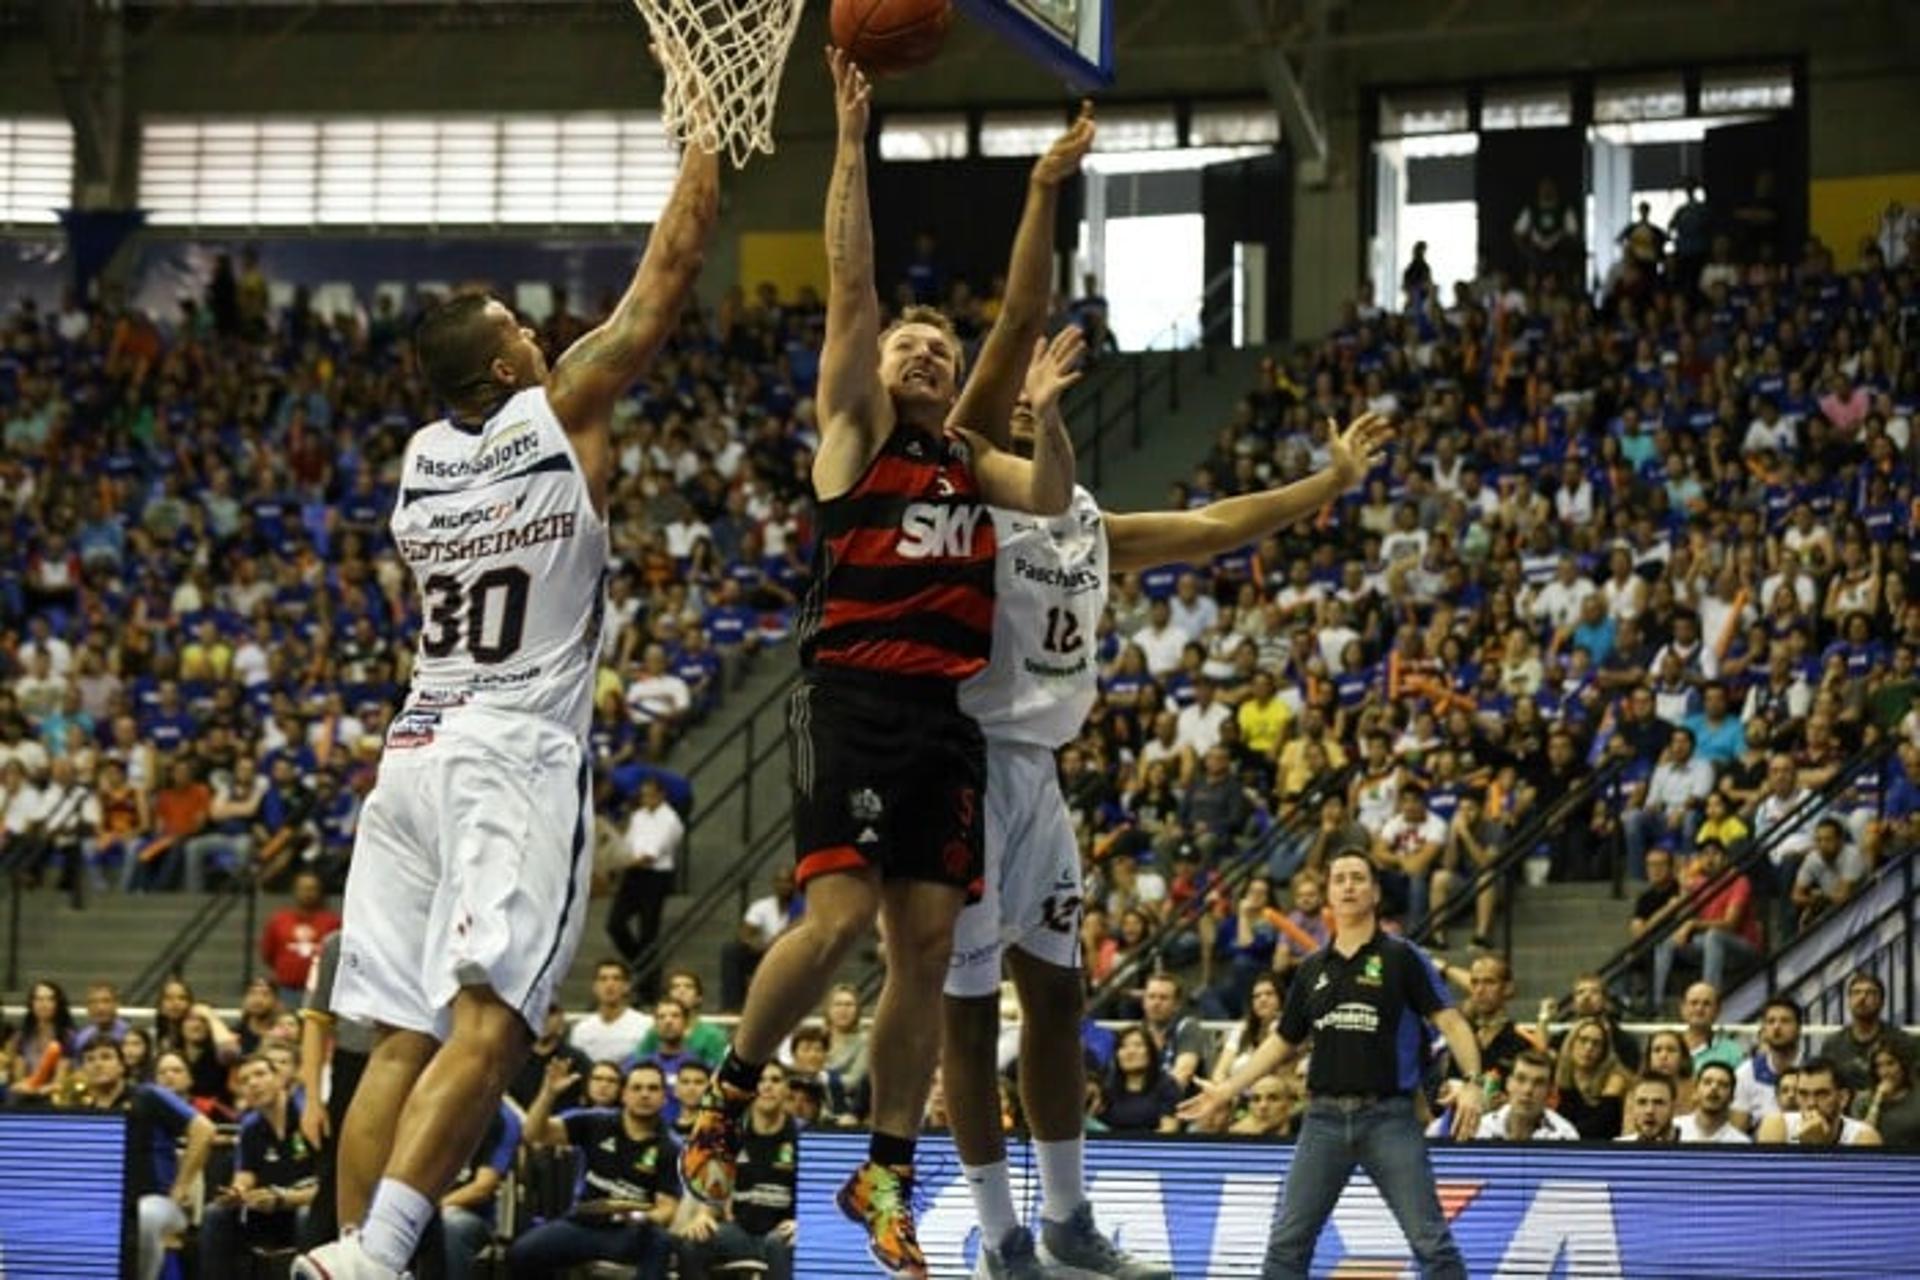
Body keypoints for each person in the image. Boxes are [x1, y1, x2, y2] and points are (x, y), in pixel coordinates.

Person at [293, 133, 720, 1280]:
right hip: (510, 751)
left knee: (397, 1038)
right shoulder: (555, 413)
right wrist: (707, 146)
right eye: (520, 334)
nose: (540, 337)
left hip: (415, 751)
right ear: (503, 371)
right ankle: (378, 1255)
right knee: (493, 1024)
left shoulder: (423, 458)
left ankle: (346, 1257)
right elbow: (661, 290)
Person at [680, 51, 1077, 1280]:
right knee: (841, 918)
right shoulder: (851, 436)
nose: (923, 353)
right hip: (851, 694)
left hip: (943, 721)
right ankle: (729, 1090)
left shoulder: (968, 462)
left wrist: (1048, 410)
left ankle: (887, 1170)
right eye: (911, 341)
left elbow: (1054, 496)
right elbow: (850, 283)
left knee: (922, 945)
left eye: (938, 348)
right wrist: (852, 140)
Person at [1179, 851, 1483, 1280]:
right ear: (1328, 895)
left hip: (1389, 1119)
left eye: (1358, 878)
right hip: (1321, 1120)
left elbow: (1452, 1022)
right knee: (1286, 1246)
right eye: (1338, 878)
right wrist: (1228, 1089)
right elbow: (1282, 1040)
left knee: (1432, 1242)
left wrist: (1473, 1082)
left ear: (1375, 893)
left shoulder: (1403, 957)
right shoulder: (1310, 970)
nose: (1348, 885)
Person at [512, 1058, 682, 1277]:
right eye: (636, 1088)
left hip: (630, 1234)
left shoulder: (671, 1147)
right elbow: (532, 1134)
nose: (644, 1094)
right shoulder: (595, 1123)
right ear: (623, 1095)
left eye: (653, 1088)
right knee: (522, 1252)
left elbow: (667, 1208)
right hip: (583, 1224)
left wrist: (640, 1217)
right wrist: (548, 1093)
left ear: (664, 1098)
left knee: (660, 1241)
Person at [76, 1037, 217, 1280]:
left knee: (148, 1225)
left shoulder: (148, 1096)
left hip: (153, 1206)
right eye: (90, 1059)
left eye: (106, 1057)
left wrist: (181, 1187)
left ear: (122, 1066)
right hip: (106, 1209)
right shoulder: (84, 1111)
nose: (98, 1064)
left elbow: (204, 1130)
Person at [674, 1062, 799, 1280]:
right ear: (751, 1090)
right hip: (742, 1232)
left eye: (775, 1080)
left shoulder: (802, 1136)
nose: (767, 1086)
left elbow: (821, 1193)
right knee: (692, 1242)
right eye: (761, 1080)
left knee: (777, 1244)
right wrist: (704, 1215)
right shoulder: (731, 1133)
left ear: (787, 1089)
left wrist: (804, 1223)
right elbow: (716, 1186)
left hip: (783, 1234)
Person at [201, 1054, 319, 1277]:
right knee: (216, 1213)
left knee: (307, 1215)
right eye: (244, 1081)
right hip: (268, 1211)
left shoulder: (311, 1117)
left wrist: (284, 1199)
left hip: (308, 1207)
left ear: (280, 1079)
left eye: (260, 1074)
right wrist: (238, 1193)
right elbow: (245, 1176)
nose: (253, 1083)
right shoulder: (250, 1128)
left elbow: (331, 1190)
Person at [298, 930, 374, 1249]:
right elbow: (316, 1023)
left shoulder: (426, 933)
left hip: (415, 1062)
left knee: (408, 1189)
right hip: (351, 1067)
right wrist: (313, 1101)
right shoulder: (337, 944)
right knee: (334, 1185)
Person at [418, 1101, 520, 1280]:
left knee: (450, 1224)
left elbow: (482, 1188)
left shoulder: (502, 1119)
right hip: (422, 1202)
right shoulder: (432, 1107)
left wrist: (432, 1207)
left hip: (469, 1214)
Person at [609, 777, 685, 999]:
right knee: (615, 924)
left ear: (662, 795)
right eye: (643, 795)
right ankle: (642, 968)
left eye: (650, 794)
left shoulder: (671, 820)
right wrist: (619, 858)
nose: (646, 799)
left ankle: (648, 986)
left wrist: (617, 862)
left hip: (655, 877)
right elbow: (628, 845)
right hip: (633, 874)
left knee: (648, 932)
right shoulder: (638, 816)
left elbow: (651, 855)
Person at [1819, 970, 1916, 1095]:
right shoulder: (1832, 1044)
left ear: (1881, 1001)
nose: (1862, 997)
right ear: (1848, 1000)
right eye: (1856, 992)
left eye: (1870, 993)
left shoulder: (1902, 1042)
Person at [721, 867, 803, 1012]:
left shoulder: (803, 906)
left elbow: (793, 931)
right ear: (773, 884)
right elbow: (744, 934)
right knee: (731, 951)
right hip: (764, 953)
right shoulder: (762, 906)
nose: (784, 885)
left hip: (791, 954)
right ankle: (732, 1006)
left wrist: (771, 944)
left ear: (795, 884)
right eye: (780, 881)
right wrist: (752, 943)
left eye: (788, 881)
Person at [1756, 1057, 1882, 1145]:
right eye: (1803, 1094)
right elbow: (1773, 1181)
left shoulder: (1863, 1137)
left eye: (1821, 1094)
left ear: (1843, 1098)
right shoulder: (1777, 1126)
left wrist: (1819, 1148)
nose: (1811, 1103)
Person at [261, 870, 342, 1007]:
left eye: (312, 889)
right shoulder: (279, 920)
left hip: (320, 991)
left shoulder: (333, 922)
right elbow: (268, 954)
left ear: (320, 892)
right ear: (295, 891)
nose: (308, 893)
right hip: (286, 990)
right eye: (303, 889)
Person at [1463, 1049, 1577, 1141]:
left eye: (1539, 1083)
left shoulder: (1564, 1135)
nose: (1528, 1090)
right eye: (1521, 1079)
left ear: (1549, 1090)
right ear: (1508, 1084)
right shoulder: (1480, 1129)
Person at [570, 959, 653, 1066]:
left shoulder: (646, 1025)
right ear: (595, 987)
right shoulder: (581, 1030)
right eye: (603, 979)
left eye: (616, 979)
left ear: (627, 986)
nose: (610, 984)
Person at [1675, 1061, 1750, 1144]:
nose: (1714, 1088)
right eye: (1707, 1082)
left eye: (1722, 1084)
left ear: (1732, 1096)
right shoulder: (1674, 1129)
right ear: (1695, 1091)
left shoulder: (1740, 1143)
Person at [1615, 1074, 1678, 1143]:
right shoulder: (1618, 1149)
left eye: (1658, 1103)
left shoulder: (1690, 1147)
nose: (1649, 1110)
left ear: (1673, 1107)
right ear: (1632, 1107)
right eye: (1642, 1102)